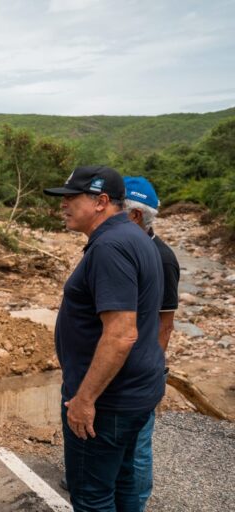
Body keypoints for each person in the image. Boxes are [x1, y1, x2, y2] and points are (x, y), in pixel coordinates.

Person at [44, 165, 165, 511]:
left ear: (101, 201)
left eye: (71, 198)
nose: (63, 206)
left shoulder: (111, 247)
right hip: (134, 393)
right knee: (124, 486)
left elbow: (122, 334)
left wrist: (84, 400)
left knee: (92, 497)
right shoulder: (134, 236)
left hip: (107, 403)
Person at [123, 176, 180, 511]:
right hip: (113, 362)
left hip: (139, 369)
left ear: (136, 217)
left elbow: (165, 324)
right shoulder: (117, 247)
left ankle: (136, 504)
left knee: (138, 444)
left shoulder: (163, 259)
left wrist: (148, 368)